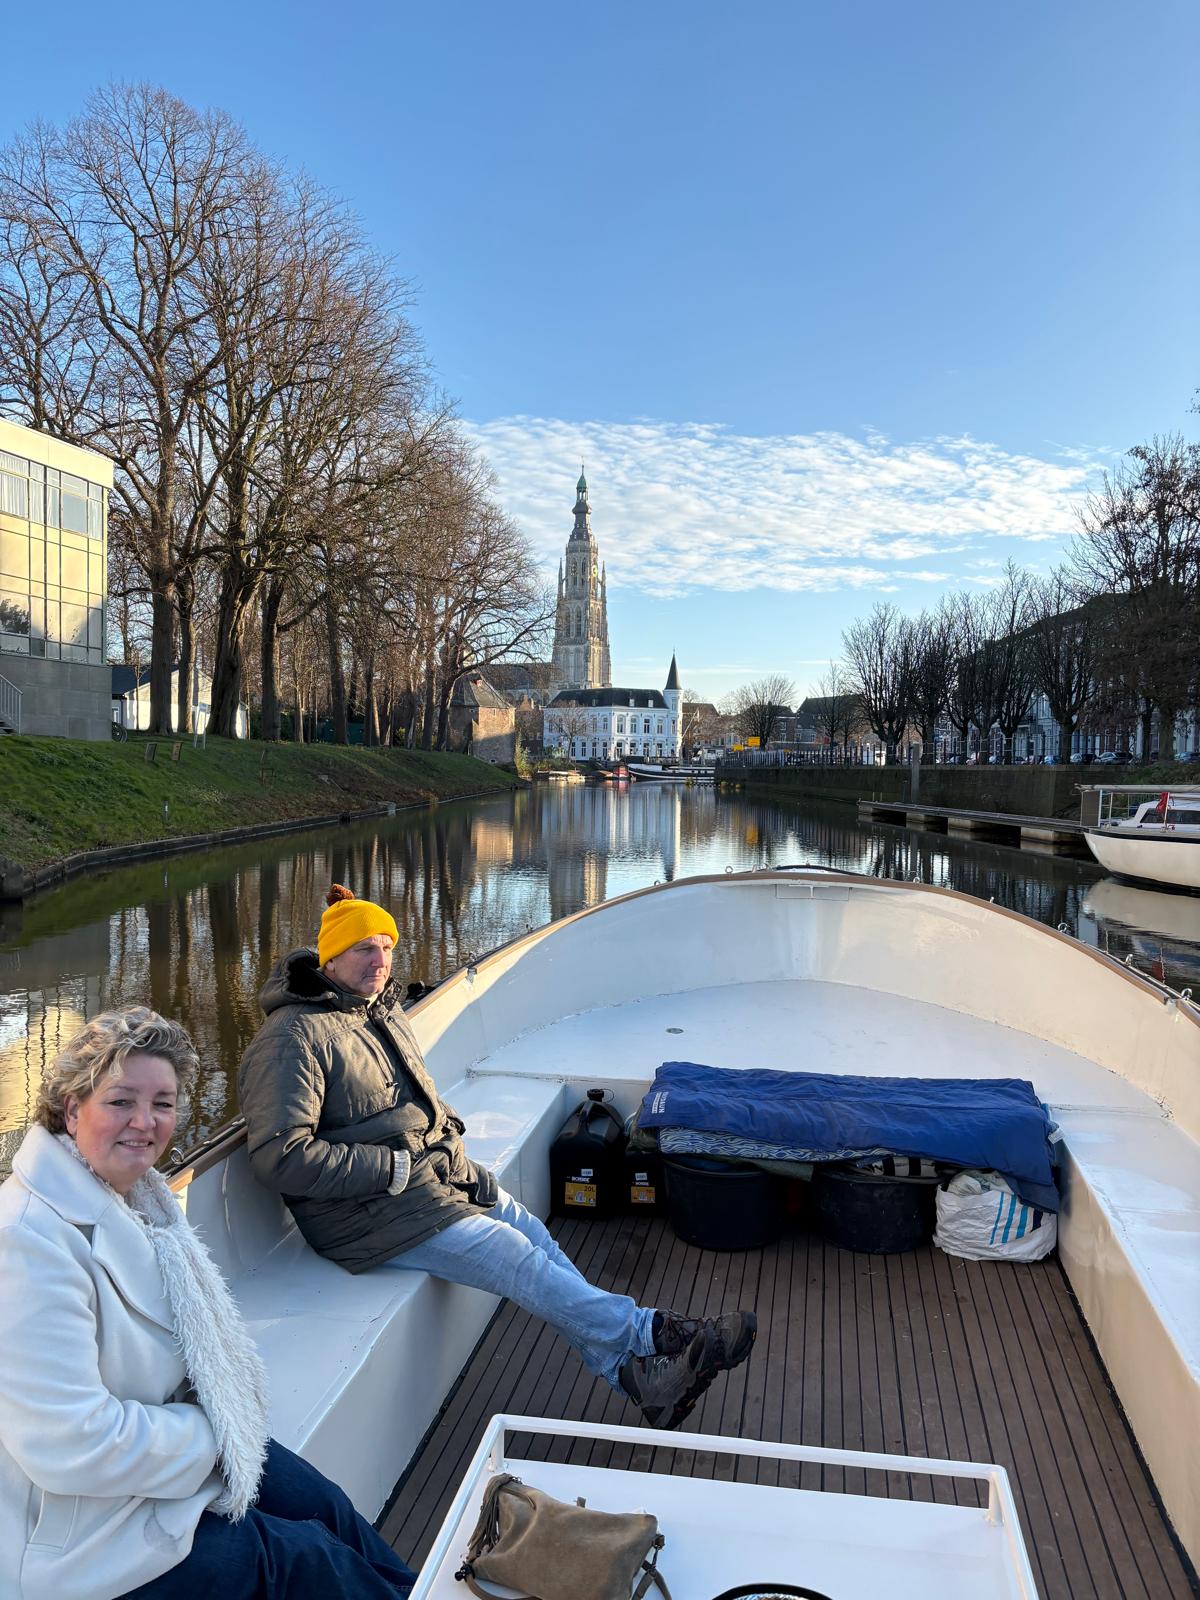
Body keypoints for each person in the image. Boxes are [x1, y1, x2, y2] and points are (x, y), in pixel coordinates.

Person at [239, 886, 757, 1430]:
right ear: (331, 958)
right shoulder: (293, 1038)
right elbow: (281, 1156)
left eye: (386, 947)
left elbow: (422, 1106)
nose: (380, 960)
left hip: (427, 1181)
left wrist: (458, 1162)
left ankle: (639, 1381)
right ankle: (657, 1332)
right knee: (516, 1257)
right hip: (362, 1214)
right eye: (364, 948)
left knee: (533, 1234)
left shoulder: (379, 1011)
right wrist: (388, 1168)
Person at [0, 1007, 415, 1600]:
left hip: (154, 1463)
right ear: (72, 1109)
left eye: (162, 1104)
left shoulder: (141, 1206)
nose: (144, 1123)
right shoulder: (26, 1239)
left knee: (324, 1506)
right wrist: (216, 1432)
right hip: (80, 1537)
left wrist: (221, 1428)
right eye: (121, 1101)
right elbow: (72, 1443)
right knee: (305, 1559)